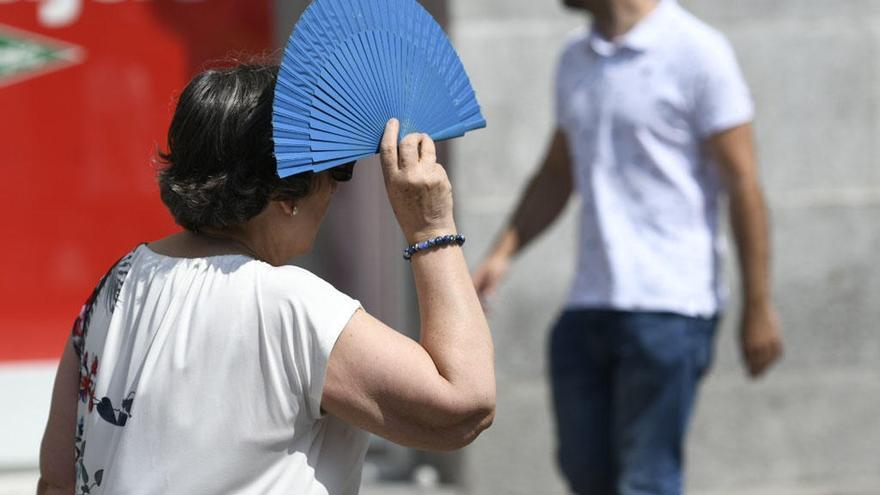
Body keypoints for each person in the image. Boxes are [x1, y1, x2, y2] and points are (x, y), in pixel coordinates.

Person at [37, 64, 495, 495]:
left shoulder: (118, 284)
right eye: (336, 169)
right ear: (285, 194)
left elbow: (57, 481)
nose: (337, 188)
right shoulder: (286, 303)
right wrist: (431, 228)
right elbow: (464, 406)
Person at [473, 0, 783, 493]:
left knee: (646, 481)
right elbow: (558, 172)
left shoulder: (697, 51)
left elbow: (744, 184)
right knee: (585, 475)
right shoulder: (576, 57)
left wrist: (759, 305)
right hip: (588, 305)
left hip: (669, 308)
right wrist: (502, 252)